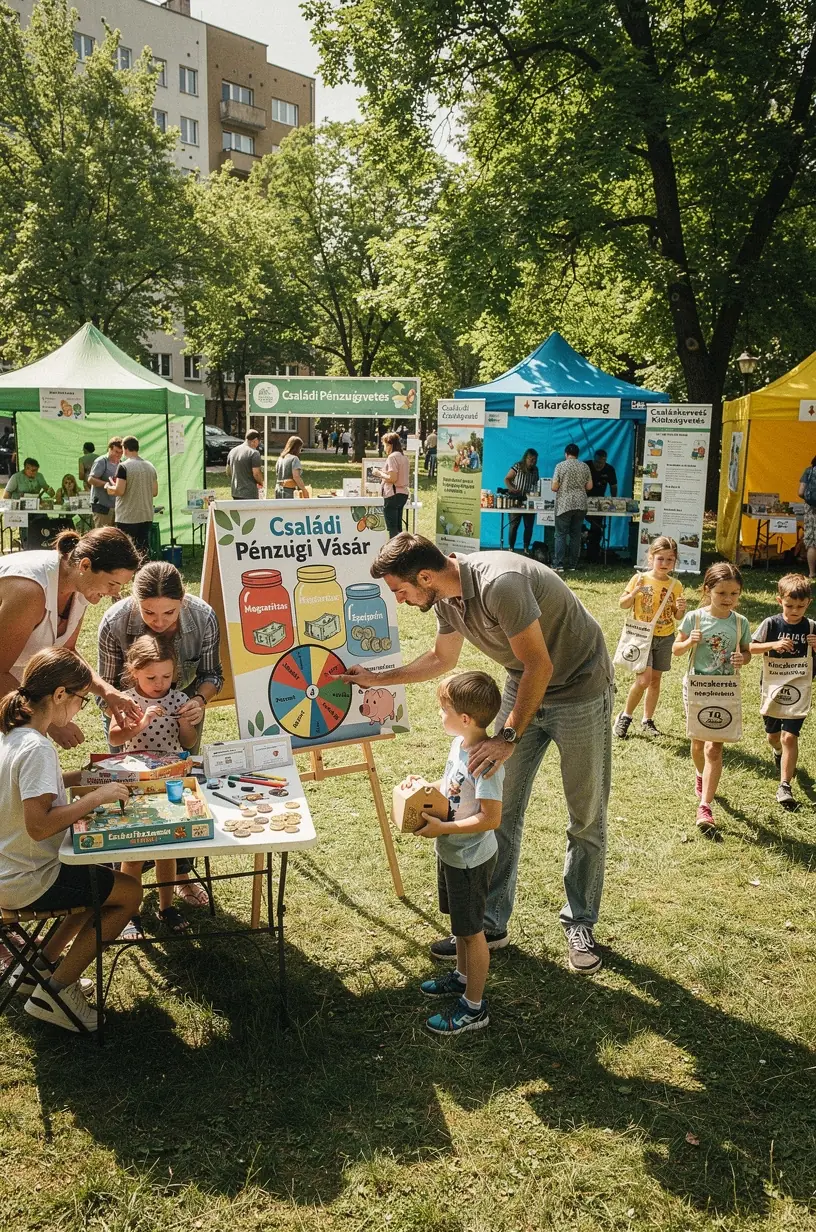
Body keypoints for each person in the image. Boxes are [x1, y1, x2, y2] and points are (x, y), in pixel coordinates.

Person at [343, 533, 614, 974]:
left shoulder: (499, 584)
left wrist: (506, 736)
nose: (401, 600)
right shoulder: (447, 599)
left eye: (401, 590)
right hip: (522, 683)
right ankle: (490, 925)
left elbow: (540, 665)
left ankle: (579, 922)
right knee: (497, 808)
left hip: (579, 689)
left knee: (585, 817)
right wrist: (380, 679)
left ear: (426, 576)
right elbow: (441, 659)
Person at [0, 647, 142, 1033]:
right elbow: (39, 825)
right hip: (29, 878)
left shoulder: (15, 735)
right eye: (81, 700)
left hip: (11, 871)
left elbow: (28, 794)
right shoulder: (37, 748)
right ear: (60, 695)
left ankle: (38, 971)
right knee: (128, 893)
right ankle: (56, 993)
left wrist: (77, 778)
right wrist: (98, 797)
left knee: (95, 886)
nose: (80, 709)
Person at [410, 671, 503, 1035]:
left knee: (471, 932)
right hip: (452, 852)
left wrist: (443, 829)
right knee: (459, 927)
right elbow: (451, 787)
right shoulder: (460, 744)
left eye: (442, 709)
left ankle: (474, 1009)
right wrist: (422, 786)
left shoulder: (487, 763)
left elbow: (490, 817)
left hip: (470, 859)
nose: (439, 714)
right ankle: (462, 977)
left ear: (465, 719)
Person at [0, 527, 141, 749]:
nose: (115, 594)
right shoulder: (30, 591)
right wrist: (50, 722)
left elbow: (67, 652)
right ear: (85, 565)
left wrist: (108, 692)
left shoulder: (81, 585)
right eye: (112, 584)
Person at [109, 635, 202, 940]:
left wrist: (187, 721)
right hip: (134, 785)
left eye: (166, 676)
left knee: (167, 848)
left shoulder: (176, 699)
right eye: (150, 677)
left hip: (169, 783)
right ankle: (129, 912)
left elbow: (187, 742)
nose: (159, 683)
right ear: (133, 672)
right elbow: (114, 738)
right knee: (133, 850)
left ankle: (166, 906)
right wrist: (142, 720)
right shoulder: (126, 700)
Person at [673, 562, 751, 839]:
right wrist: (689, 642)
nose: (728, 598)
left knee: (714, 749)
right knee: (697, 743)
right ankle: (700, 774)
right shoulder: (694, 618)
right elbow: (676, 650)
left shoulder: (740, 622)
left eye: (734, 593)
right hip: (697, 686)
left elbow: (746, 651)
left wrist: (744, 658)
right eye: (721, 593)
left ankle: (705, 805)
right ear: (708, 590)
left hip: (724, 687)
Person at [749, 573, 816, 811]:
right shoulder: (771, 624)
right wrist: (772, 645)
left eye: (800, 606)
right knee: (774, 735)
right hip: (772, 688)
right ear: (779, 601)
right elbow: (749, 648)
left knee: (790, 736)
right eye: (789, 605)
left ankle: (785, 785)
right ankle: (777, 751)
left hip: (799, 690)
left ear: (808, 602)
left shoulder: (811, 627)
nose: (794, 610)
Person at [613, 537, 686, 738]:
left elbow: (676, 616)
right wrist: (633, 593)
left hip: (665, 636)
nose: (664, 564)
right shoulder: (640, 579)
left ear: (675, 561)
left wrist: (680, 610)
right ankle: (625, 716)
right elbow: (623, 604)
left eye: (670, 560)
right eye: (660, 558)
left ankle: (647, 720)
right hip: (642, 637)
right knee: (644, 680)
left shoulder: (676, 585)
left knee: (655, 680)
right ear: (651, 558)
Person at [106, 436, 158, 558]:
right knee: (143, 549)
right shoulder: (150, 466)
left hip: (127, 516)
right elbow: (154, 492)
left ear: (125, 449)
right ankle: (143, 574)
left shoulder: (123, 466)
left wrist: (110, 488)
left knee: (127, 550)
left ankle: (128, 575)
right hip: (146, 515)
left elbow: (119, 491)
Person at [551, 444, 592, 573]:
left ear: (566, 453)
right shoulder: (584, 466)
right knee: (575, 535)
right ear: (578, 454)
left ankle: (559, 564)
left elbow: (554, 487)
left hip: (565, 504)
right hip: (580, 503)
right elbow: (589, 486)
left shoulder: (560, 466)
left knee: (561, 535)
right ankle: (573, 564)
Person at [372, 432, 410, 539]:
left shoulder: (392, 457)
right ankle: (401, 550)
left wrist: (379, 473)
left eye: (384, 445)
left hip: (392, 494)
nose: (384, 448)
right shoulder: (404, 457)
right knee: (398, 527)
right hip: (402, 494)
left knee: (392, 528)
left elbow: (393, 478)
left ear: (390, 445)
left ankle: (395, 552)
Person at [586, 448, 618, 563]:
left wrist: (614, 501)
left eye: (602, 463)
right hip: (583, 501)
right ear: (593, 459)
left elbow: (613, 486)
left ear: (605, 461)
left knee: (597, 528)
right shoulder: (586, 466)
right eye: (597, 462)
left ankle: (593, 554)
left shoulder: (609, 469)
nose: (599, 465)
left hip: (599, 503)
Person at [504, 449, 540, 554]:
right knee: (514, 525)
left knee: (529, 526)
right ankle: (510, 547)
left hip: (529, 502)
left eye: (535, 460)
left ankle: (526, 548)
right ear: (525, 458)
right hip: (515, 500)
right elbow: (507, 479)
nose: (533, 462)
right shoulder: (517, 466)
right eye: (531, 459)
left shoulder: (536, 470)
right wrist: (511, 488)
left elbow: (537, 484)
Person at [87, 437, 124, 528]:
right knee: (102, 535)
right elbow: (91, 479)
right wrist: (105, 484)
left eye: (121, 452)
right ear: (110, 449)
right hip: (102, 506)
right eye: (116, 451)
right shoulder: (101, 461)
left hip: (116, 506)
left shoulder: (121, 464)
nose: (118, 455)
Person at [226, 430, 263, 500]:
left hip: (235, 491)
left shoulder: (233, 451)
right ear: (255, 441)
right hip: (249, 493)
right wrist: (261, 482)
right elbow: (256, 473)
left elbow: (228, 471)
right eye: (258, 442)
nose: (258, 444)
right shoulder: (254, 453)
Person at [797, 456, 816, 579]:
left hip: (811, 509)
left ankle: (812, 573)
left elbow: (800, 492)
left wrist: (810, 500)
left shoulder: (808, 471)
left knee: (812, 542)